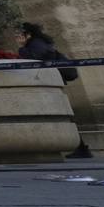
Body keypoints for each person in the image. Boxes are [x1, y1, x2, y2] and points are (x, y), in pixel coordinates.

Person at [19, 22, 90, 159]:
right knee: (64, 116)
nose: (17, 37)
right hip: (50, 84)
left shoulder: (36, 45)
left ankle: (81, 148)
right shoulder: (38, 43)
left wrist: (22, 48)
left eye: (20, 35)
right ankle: (81, 147)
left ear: (28, 35)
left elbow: (34, 60)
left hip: (49, 84)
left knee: (63, 116)